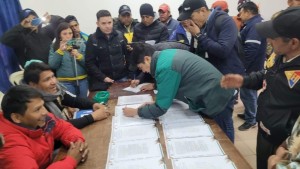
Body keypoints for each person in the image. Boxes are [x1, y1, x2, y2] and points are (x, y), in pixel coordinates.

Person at [220, 7, 300, 169]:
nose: (268, 41)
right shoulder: (279, 56)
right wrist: (243, 80)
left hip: (285, 143)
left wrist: (287, 148)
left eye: (273, 37)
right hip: (265, 131)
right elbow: (267, 75)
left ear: (293, 42)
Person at [123, 43, 236, 142]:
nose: (143, 71)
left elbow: (161, 108)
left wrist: (136, 112)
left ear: (147, 59)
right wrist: (157, 95)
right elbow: (173, 82)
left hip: (218, 96)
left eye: (140, 67)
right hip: (213, 91)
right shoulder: (164, 55)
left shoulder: (165, 66)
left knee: (224, 135)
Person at [0, 85, 88, 168]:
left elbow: (63, 127)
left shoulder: (39, 119)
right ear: (17, 117)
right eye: (37, 109)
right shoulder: (11, 146)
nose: (45, 112)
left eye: (43, 105)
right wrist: (71, 161)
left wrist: (77, 143)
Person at [24, 62, 110, 129]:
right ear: (33, 85)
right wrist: (93, 117)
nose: (54, 82)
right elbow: (56, 127)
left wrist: (94, 104)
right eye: (47, 80)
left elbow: (74, 100)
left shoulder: (56, 92)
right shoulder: (34, 105)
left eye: (53, 76)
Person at [178, 0, 245, 76]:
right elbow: (194, 52)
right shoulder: (199, 26)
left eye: (191, 17)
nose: (190, 21)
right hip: (209, 77)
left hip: (228, 78)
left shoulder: (225, 21)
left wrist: (199, 35)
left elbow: (223, 51)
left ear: (202, 11)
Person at [237, 1, 267, 130]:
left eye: (241, 12)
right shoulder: (254, 23)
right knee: (250, 93)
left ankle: (251, 120)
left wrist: (243, 67)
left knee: (247, 93)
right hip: (253, 66)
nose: (239, 14)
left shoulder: (254, 25)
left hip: (250, 67)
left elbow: (251, 48)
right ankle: (249, 114)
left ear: (248, 12)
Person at [85, 10, 129, 91]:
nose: (107, 26)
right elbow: (89, 63)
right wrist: (103, 77)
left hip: (122, 78)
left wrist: (130, 74)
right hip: (102, 81)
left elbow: (128, 56)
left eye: (109, 22)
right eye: (103, 23)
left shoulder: (120, 35)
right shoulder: (92, 39)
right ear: (97, 24)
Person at [48, 22, 88, 98]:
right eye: (64, 34)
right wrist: (60, 51)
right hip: (65, 82)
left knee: (84, 103)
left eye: (70, 33)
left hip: (82, 80)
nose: (68, 36)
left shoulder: (80, 43)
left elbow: (88, 64)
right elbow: (52, 65)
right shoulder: (54, 46)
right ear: (59, 35)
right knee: (72, 106)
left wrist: (79, 56)